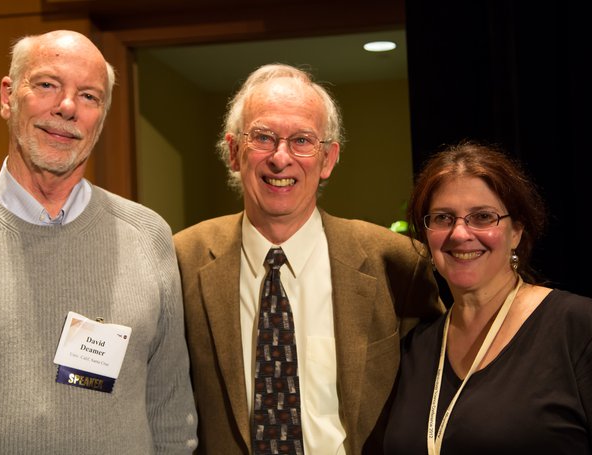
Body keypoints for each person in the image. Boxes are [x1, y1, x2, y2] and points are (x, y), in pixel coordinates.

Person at [0, 30, 197, 453]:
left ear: (101, 118)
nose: (67, 108)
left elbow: (171, 413)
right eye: (47, 85)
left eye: (89, 96)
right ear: (8, 97)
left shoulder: (147, 236)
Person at [173, 63, 443, 454]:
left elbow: (436, 399)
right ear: (233, 152)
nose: (281, 158)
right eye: (263, 138)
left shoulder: (396, 262)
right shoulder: (183, 260)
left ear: (329, 158)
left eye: (302, 140)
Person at [382, 140, 592, 454]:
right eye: (443, 218)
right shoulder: (416, 348)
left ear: (516, 232)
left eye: (483, 217)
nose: (460, 234)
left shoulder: (575, 326)